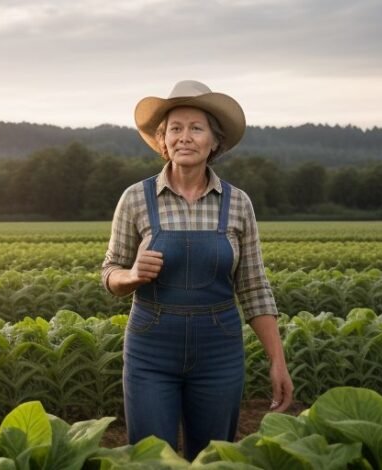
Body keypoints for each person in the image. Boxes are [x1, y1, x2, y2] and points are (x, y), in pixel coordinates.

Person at [101, 80, 293, 461]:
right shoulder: (135, 198)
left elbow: (254, 287)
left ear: (214, 141)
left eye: (196, 128)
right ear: (162, 140)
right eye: (175, 128)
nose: (184, 137)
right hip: (151, 350)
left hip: (218, 351)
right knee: (152, 458)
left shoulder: (237, 203)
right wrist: (133, 274)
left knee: (211, 458)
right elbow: (109, 273)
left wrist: (277, 361)